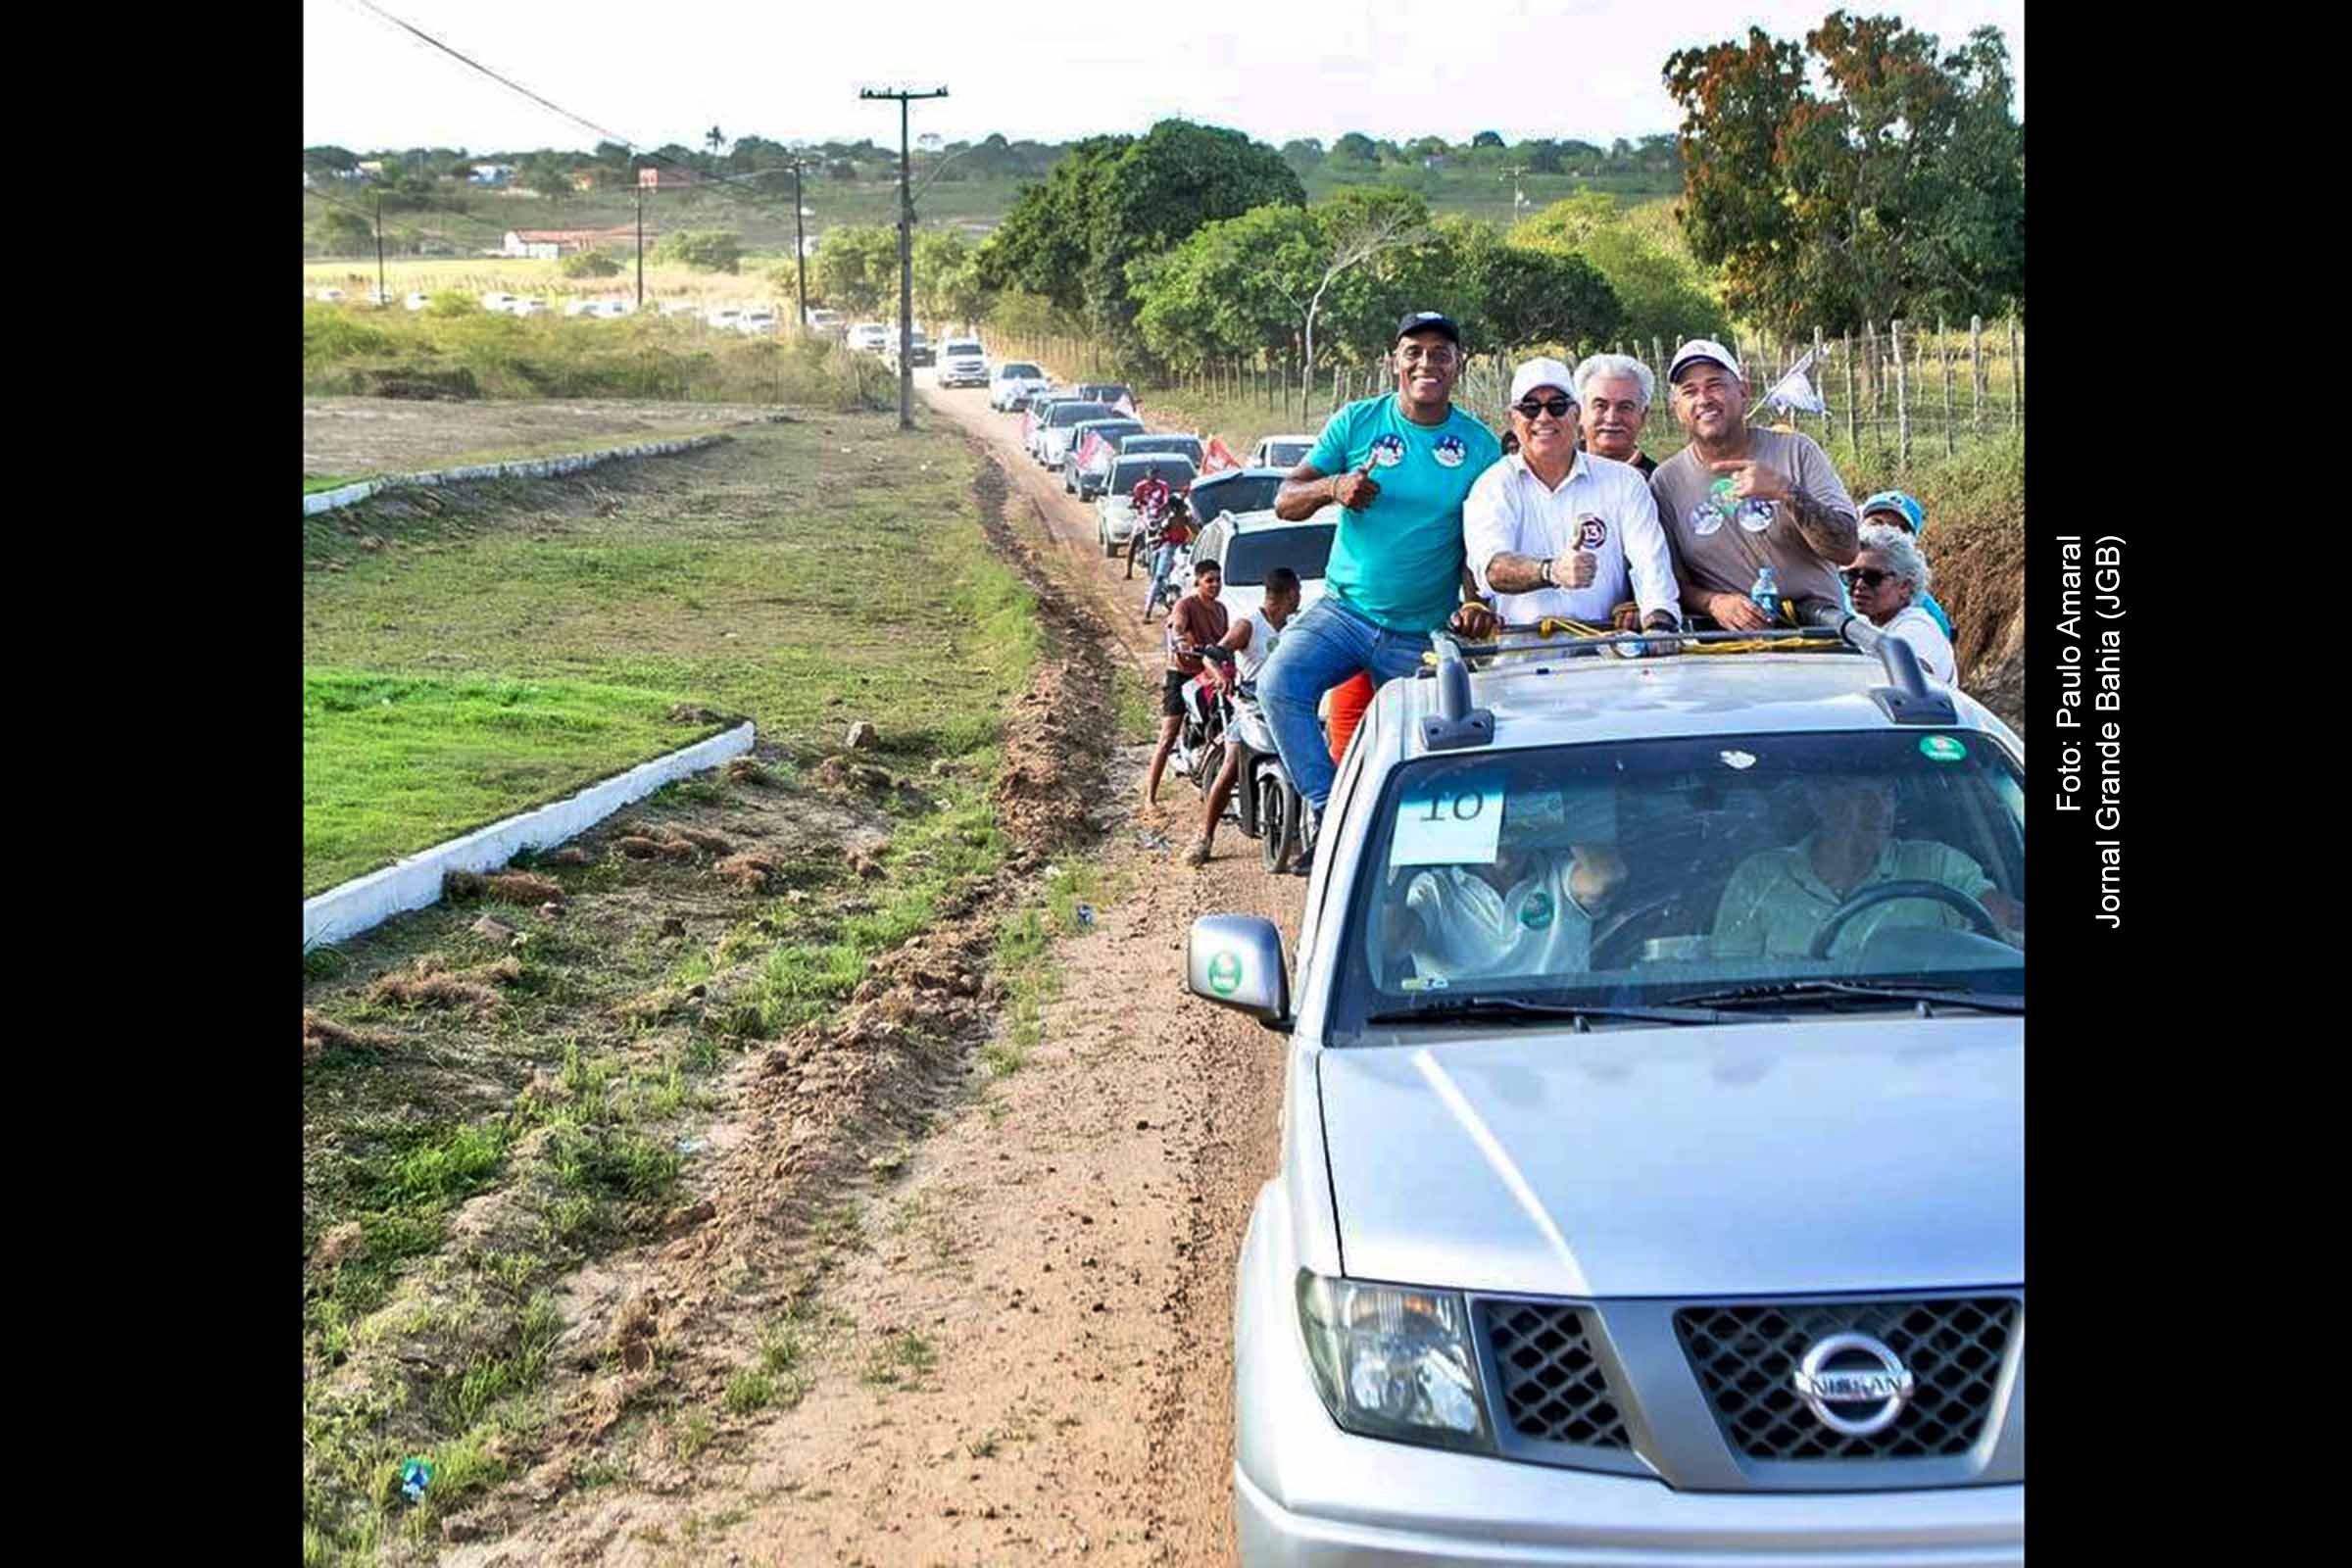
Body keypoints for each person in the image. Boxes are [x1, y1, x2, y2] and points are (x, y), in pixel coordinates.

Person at [1257, 310, 1505, 860]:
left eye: (1441, 353)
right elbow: (1284, 500)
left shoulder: (1480, 446)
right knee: (1278, 684)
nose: (1427, 362)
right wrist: (1334, 486)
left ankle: (1438, 860)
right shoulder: (1357, 422)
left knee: (1443, 750)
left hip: (1422, 633)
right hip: (1344, 615)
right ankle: (1332, 813)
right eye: (1414, 350)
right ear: (1395, 359)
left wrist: (1477, 604)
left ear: (1458, 365)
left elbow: (1480, 542)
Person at [1648, 339, 1862, 629]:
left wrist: (1786, 492)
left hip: (1818, 633)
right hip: (1727, 647)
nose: (1704, 399)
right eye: (1690, 391)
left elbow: (1846, 549)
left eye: (1715, 385)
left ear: (1744, 391)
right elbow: (1674, 583)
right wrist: (1714, 603)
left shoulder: (1796, 451)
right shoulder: (1666, 482)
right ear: (1677, 409)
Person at [1464, 357, 1682, 640]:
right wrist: (1550, 571)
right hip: (1522, 656)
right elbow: (1491, 569)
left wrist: (1658, 624)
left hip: (1609, 655)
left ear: (1576, 414)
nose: (1544, 418)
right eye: (1530, 408)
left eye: (1557, 406)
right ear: (1512, 418)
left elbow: (1651, 565)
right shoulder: (1491, 486)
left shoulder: (1626, 482)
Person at [1711, 777, 2023, 959]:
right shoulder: (1761, 877)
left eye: (1886, 793)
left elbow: (1993, 909)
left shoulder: (1935, 864)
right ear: (1819, 802)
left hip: (1931, 1018)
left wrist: (2002, 925)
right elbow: (1729, 973)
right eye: (1860, 794)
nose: (1879, 808)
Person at [1381, 786, 1626, 984]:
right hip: (1456, 1028)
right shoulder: (1435, 889)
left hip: (1562, 1021)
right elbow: (1394, 944)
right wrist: (1409, 850)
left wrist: (1558, 809)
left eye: (1512, 826)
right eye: (1492, 827)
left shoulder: (1558, 875)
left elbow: (1606, 878)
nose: (1504, 841)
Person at [1184, 566, 1303, 866]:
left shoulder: (1294, 626)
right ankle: (1205, 836)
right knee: (1231, 765)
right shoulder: (1248, 625)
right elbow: (1213, 654)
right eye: (1297, 594)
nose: (1299, 599)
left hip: (1285, 704)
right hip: (1251, 705)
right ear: (1288, 595)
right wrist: (1220, 676)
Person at [1144, 557, 1228, 809]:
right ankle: (1150, 798)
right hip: (1183, 674)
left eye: (1218, 580)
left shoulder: (1221, 609)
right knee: (1168, 734)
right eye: (1209, 580)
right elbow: (1176, 625)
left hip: (1208, 675)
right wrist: (1180, 640)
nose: (1214, 585)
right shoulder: (1186, 605)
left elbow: (1224, 640)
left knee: (1223, 725)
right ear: (1198, 582)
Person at [1845, 523, 1958, 683]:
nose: (1859, 584)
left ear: (1905, 586)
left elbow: (1909, 679)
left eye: (1873, 577)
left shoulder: (1918, 629)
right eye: (1852, 575)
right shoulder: (1867, 623)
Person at [1857, 489, 1955, 638]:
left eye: (1899, 528)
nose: (1884, 531)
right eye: (1876, 522)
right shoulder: (1825, 576)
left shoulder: (1921, 604)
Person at [1572, 353, 1660, 475]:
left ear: (1643, 416)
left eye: (1625, 407)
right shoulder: (1555, 476)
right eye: (1600, 406)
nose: (1612, 418)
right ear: (1579, 413)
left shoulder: (1659, 486)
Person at [1140, 497, 1197, 619]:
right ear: (1177, 509)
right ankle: (1147, 611)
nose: (1184, 509)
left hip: (1182, 549)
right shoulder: (1168, 521)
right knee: (1159, 578)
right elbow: (1159, 534)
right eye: (1182, 507)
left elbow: (1196, 532)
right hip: (1169, 548)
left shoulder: (1186, 520)